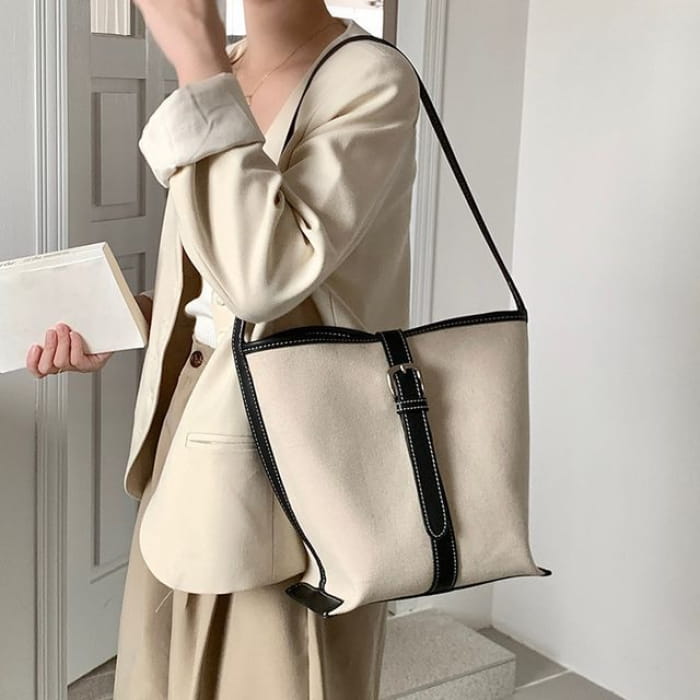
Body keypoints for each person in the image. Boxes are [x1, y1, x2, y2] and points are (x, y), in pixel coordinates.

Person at [26, 0, 420, 697]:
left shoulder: (370, 78)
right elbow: (218, 285)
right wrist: (127, 318)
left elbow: (265, 278)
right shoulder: (226, 68)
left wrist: (198, 64)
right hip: (191, 431)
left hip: (293, 454)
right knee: (164, 670)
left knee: (268, 673)